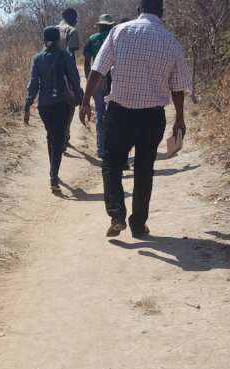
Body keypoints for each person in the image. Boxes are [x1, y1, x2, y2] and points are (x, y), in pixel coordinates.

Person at [79, 0, 193, 238]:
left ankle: (117, 216)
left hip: (120, 113)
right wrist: (179, 118)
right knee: (144, 169)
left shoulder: (120, 31)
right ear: (162, 13)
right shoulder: (171, 41)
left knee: (111, 164)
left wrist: (85, 101)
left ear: (138, 10)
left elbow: (97, 69)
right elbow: (179, 86)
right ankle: (138, 225)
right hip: (153, 117)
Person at [24, 26, 83, 193]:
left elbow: (33, 84)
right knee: (57, 140)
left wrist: (27, 105)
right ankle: (53, 175)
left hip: (44, 105)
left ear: (44, 39)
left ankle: (53, 173)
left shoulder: (37, 58)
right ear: (58, 39)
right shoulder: (65, 56)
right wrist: (82, 98)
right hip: (61, 103)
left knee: (51, 137)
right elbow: (74, 79)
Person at [83, 14, 115, 158]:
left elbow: (86, 61)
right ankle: (111, 146)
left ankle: (100, 147)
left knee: (99, 113)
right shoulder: (115, 36)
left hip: (96, 76)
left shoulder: (92, 39)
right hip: (113, 76)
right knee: (112, 113)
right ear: (110, 25)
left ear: (100, 25)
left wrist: (89, 78)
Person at [57, 8, 81, 146]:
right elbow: (71, 54)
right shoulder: (71, 31)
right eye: (75, 17)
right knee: (71, 104)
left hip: (52, 72)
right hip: (66, 72)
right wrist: (74, 79)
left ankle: (57, 134)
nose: (76, 21)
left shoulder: (52, 30)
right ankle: (65, 134)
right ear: (70, 17)